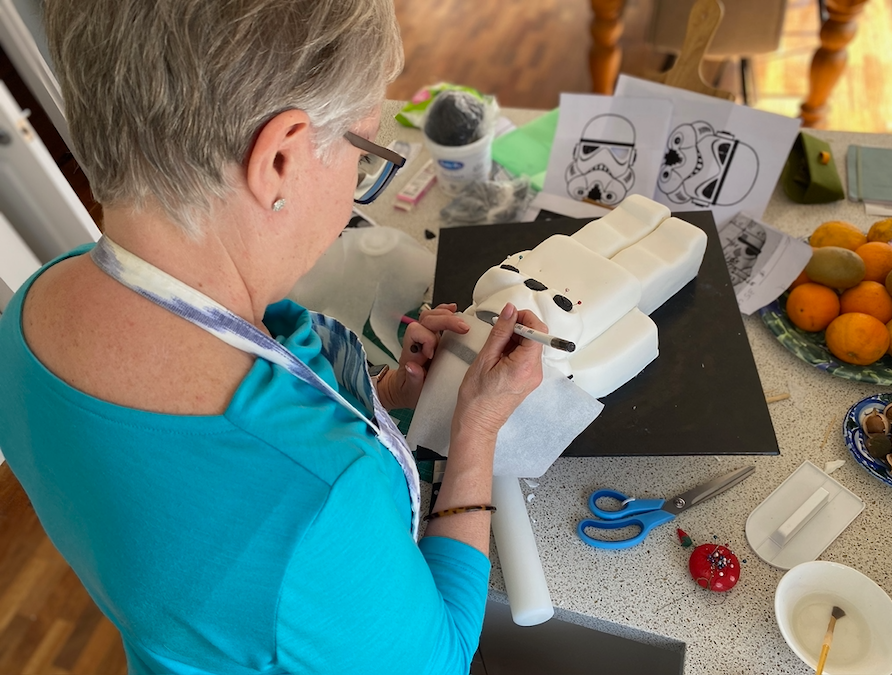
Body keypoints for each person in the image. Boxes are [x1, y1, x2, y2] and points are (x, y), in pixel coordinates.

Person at [0, 1, 545, 673]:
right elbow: (443, 655)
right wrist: (475, 431)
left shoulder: (30, 314)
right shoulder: (323, 494)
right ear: (282, 158)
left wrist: (382, 391)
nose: (358, 184)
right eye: (366, 151)